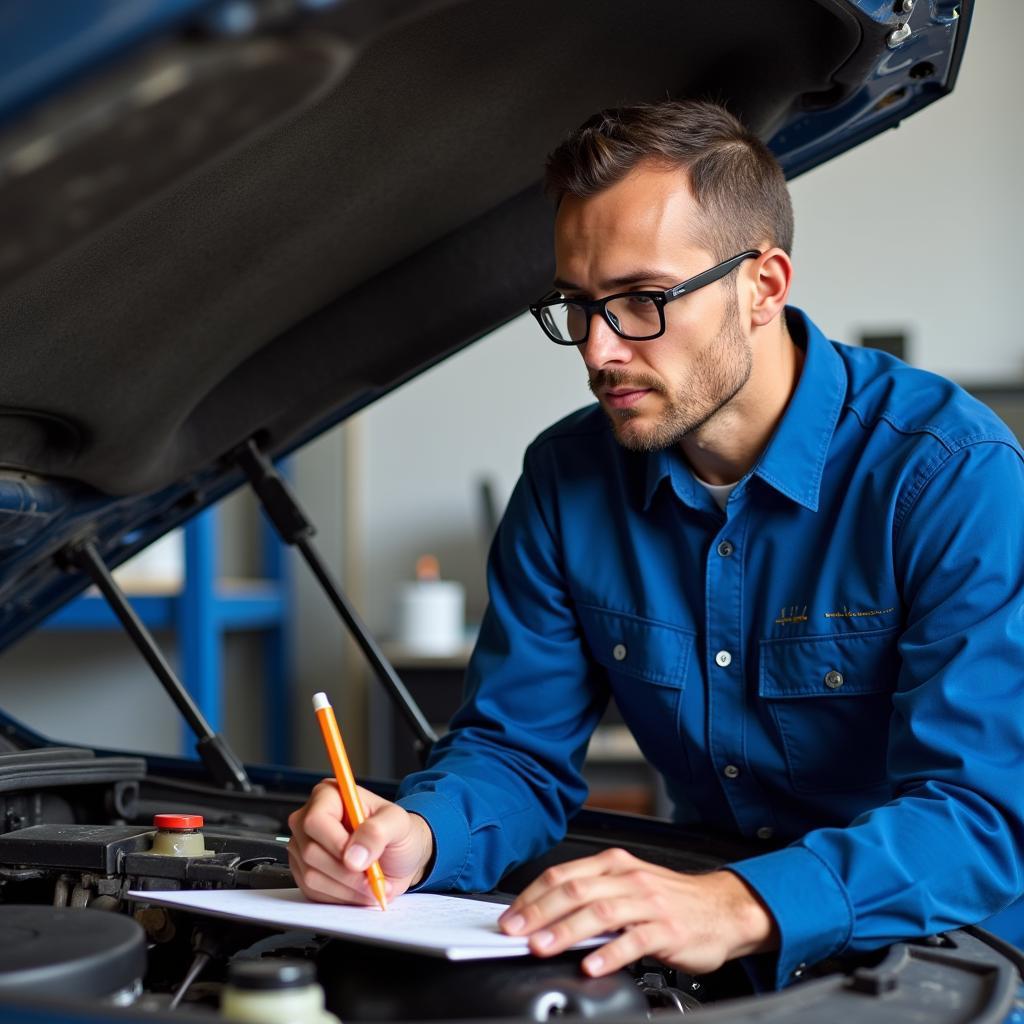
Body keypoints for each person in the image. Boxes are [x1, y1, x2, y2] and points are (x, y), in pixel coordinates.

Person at [287, 100, 1024, 989]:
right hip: (705, 964)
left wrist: (739, 904)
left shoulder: (949, 474)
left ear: (764, 284)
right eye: (578, 305)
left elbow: (983, 814)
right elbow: (515, 751)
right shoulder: (566, 482)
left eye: (641, 300)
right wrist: (422, 833)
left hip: (956, 967)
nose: (599, 350)